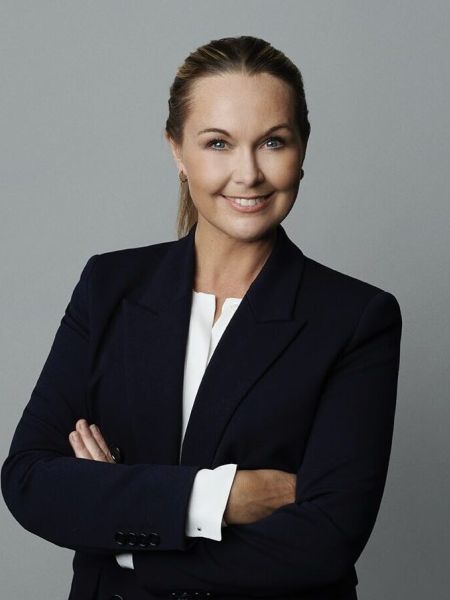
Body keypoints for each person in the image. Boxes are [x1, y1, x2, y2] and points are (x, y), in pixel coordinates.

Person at [1, 36, 402, 600]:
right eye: (218, 143)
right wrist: (219, 499)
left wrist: (120, 531)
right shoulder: (109, 286)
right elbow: (28, 480)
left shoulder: (356, 317)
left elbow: (325, 539)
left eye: (273, 142)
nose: (248, 173)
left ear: (302, 148)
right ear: (176, 151)